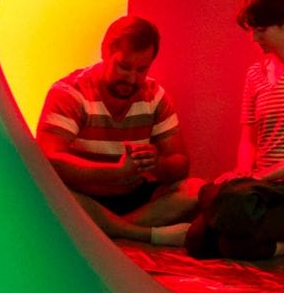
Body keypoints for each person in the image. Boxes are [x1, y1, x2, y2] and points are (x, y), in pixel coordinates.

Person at [187, 0, 284, 258]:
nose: (255, 38)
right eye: (251, 30)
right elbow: (249, 138)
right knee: (197, 240)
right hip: (264, 191)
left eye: (261, 29)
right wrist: (244, 173)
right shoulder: (255, 74)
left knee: (233, 243)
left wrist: (262, 175)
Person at [36, 16, 201, 244]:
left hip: (131, 196)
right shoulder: (69, 92)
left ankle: (106, 228)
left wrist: (156, 164)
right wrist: (115, 172)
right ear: (105, 53)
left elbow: (180, 163)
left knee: (195, 189)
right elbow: (48, 161)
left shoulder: (155, 96)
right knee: (45, 192)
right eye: (123, 67)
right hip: (83, 195)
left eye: (142, 70)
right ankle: (141, 233)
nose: (132, 79)